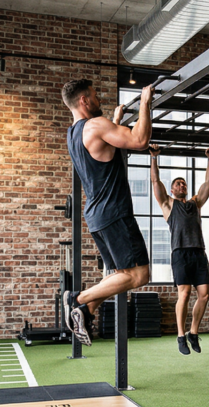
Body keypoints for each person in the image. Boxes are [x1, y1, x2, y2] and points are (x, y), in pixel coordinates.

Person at [59, 79, 153, 346]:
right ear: (84, 101)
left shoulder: (73, 134)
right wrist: (146, 102)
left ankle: (86, 310)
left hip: (98, 215)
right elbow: (139, 139)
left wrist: (114, 119)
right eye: (95, 96)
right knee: (139, 275)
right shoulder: (96, 125)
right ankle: (76, 299)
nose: (98, 99)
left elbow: (103, 151)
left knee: (117, 275)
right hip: (114, 213)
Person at [150, 145, 209, 355]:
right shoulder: (168, 205)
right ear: (172, 189)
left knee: (204, 295)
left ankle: (193, 333)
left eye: (184, 183)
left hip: (199, 252)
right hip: (180, 253)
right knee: (185, 293)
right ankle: (180, 335)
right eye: (178, 183)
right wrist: (154, 158)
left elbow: (208, 182)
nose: (182, 185)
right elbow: (155, 181)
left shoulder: (195, 203)